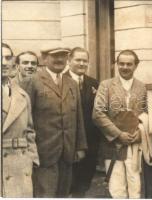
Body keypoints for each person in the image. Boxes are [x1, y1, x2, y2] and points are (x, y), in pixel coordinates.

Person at [27, 42, 87, 197]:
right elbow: (26, 119)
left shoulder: (71, 83)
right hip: (43, 153)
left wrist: (80, 146)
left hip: (67, 151)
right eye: (55, 55)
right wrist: (30, 150)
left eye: (63, 55)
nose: (60, 59)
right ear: (44, 58)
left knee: (63, 193)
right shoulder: (33, 81)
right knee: (45, 193)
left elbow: (78, 117)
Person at [93, 50, 152, 198]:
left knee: (136, 187)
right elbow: (98, 113)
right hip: (113, 144)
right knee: (116, 188)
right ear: (116, 65)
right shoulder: (106, 85)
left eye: (129, 64)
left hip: (135, 144)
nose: (125, 67)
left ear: (136, 66)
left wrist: (140, 133)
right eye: (121, 64)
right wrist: (118, 134)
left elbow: (147, 114)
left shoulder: (142, 87)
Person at [1, 43, 39, 197]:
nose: (4, 62)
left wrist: (32, 159)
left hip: (20, 164)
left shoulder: (22, 94)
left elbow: (29, 131)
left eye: (8, 57)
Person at [64, 47, 100, 197]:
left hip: (90, 143)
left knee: (83, 184)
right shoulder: (61, 80)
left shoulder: (94, 83)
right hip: (67, 142)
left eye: (85, 61)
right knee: (66, 184)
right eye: (78, 60)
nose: (82, 63)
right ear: (69, 61)